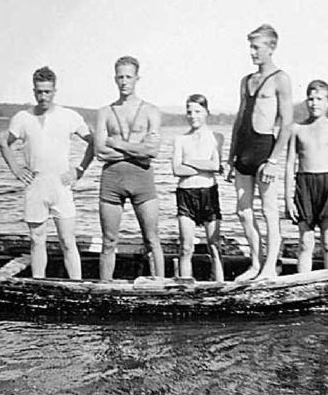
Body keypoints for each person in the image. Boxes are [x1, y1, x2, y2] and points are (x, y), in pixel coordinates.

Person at [0, 66, 95, 280]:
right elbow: (4, 144)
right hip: (36, 185)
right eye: (39, 92)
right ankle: (39, 283)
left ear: (54, 91)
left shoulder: (69, 116)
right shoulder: (22, 118)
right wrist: (16, 169)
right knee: (37, 239)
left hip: (61, 185)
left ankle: (77, 285)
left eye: (48, 92)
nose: (43, 97)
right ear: (34, 91)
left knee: (67, 240)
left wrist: (79, 170)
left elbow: (93, 141)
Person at [227, 23, 292, 280]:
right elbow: (239, 118)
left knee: (269, 211)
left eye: (256, 47)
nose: (252, 52)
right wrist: (231, 157)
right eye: (250, 47)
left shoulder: (280, 79)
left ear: (271, 48)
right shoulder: (246, 81)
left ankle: (269, 268)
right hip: (243, 150)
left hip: (264, 150)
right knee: (243, 211)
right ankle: (256, 263)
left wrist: (273, 160)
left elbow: (286, 123)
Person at [95, 56, 165, 281]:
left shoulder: (151, 111)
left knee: (152, 239)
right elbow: (99, 152)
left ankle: (161, 286)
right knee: (109, 241)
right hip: (112, 179)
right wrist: (137, 149)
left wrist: (118, 144)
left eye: (128, 77)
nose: (124, 81)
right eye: (120, 77)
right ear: (115, 79)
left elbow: (153, 152)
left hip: (142, 179)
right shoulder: (105, 112)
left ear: (137, 78)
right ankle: (105, 287)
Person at [284, 80, 328, 274]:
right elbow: (289, 165)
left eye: (319, 99)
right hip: (304, 186)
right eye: (310, 99)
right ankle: (303, 282)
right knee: (305, 242)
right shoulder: (297, 129)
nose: (314, 103)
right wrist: (288, 199)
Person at [172, 94, 224, 282]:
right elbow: (176, 169)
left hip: (208, 193)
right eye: (189, 112)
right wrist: (203, 165)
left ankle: (219, 284)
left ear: (206, 113)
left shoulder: (216, 137)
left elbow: (215, 166)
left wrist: (190, 161)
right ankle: (185, 286)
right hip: (186, 194)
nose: (193, 116)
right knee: (186, 247)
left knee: (214, 245)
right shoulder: (180, 139)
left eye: (197, 111)